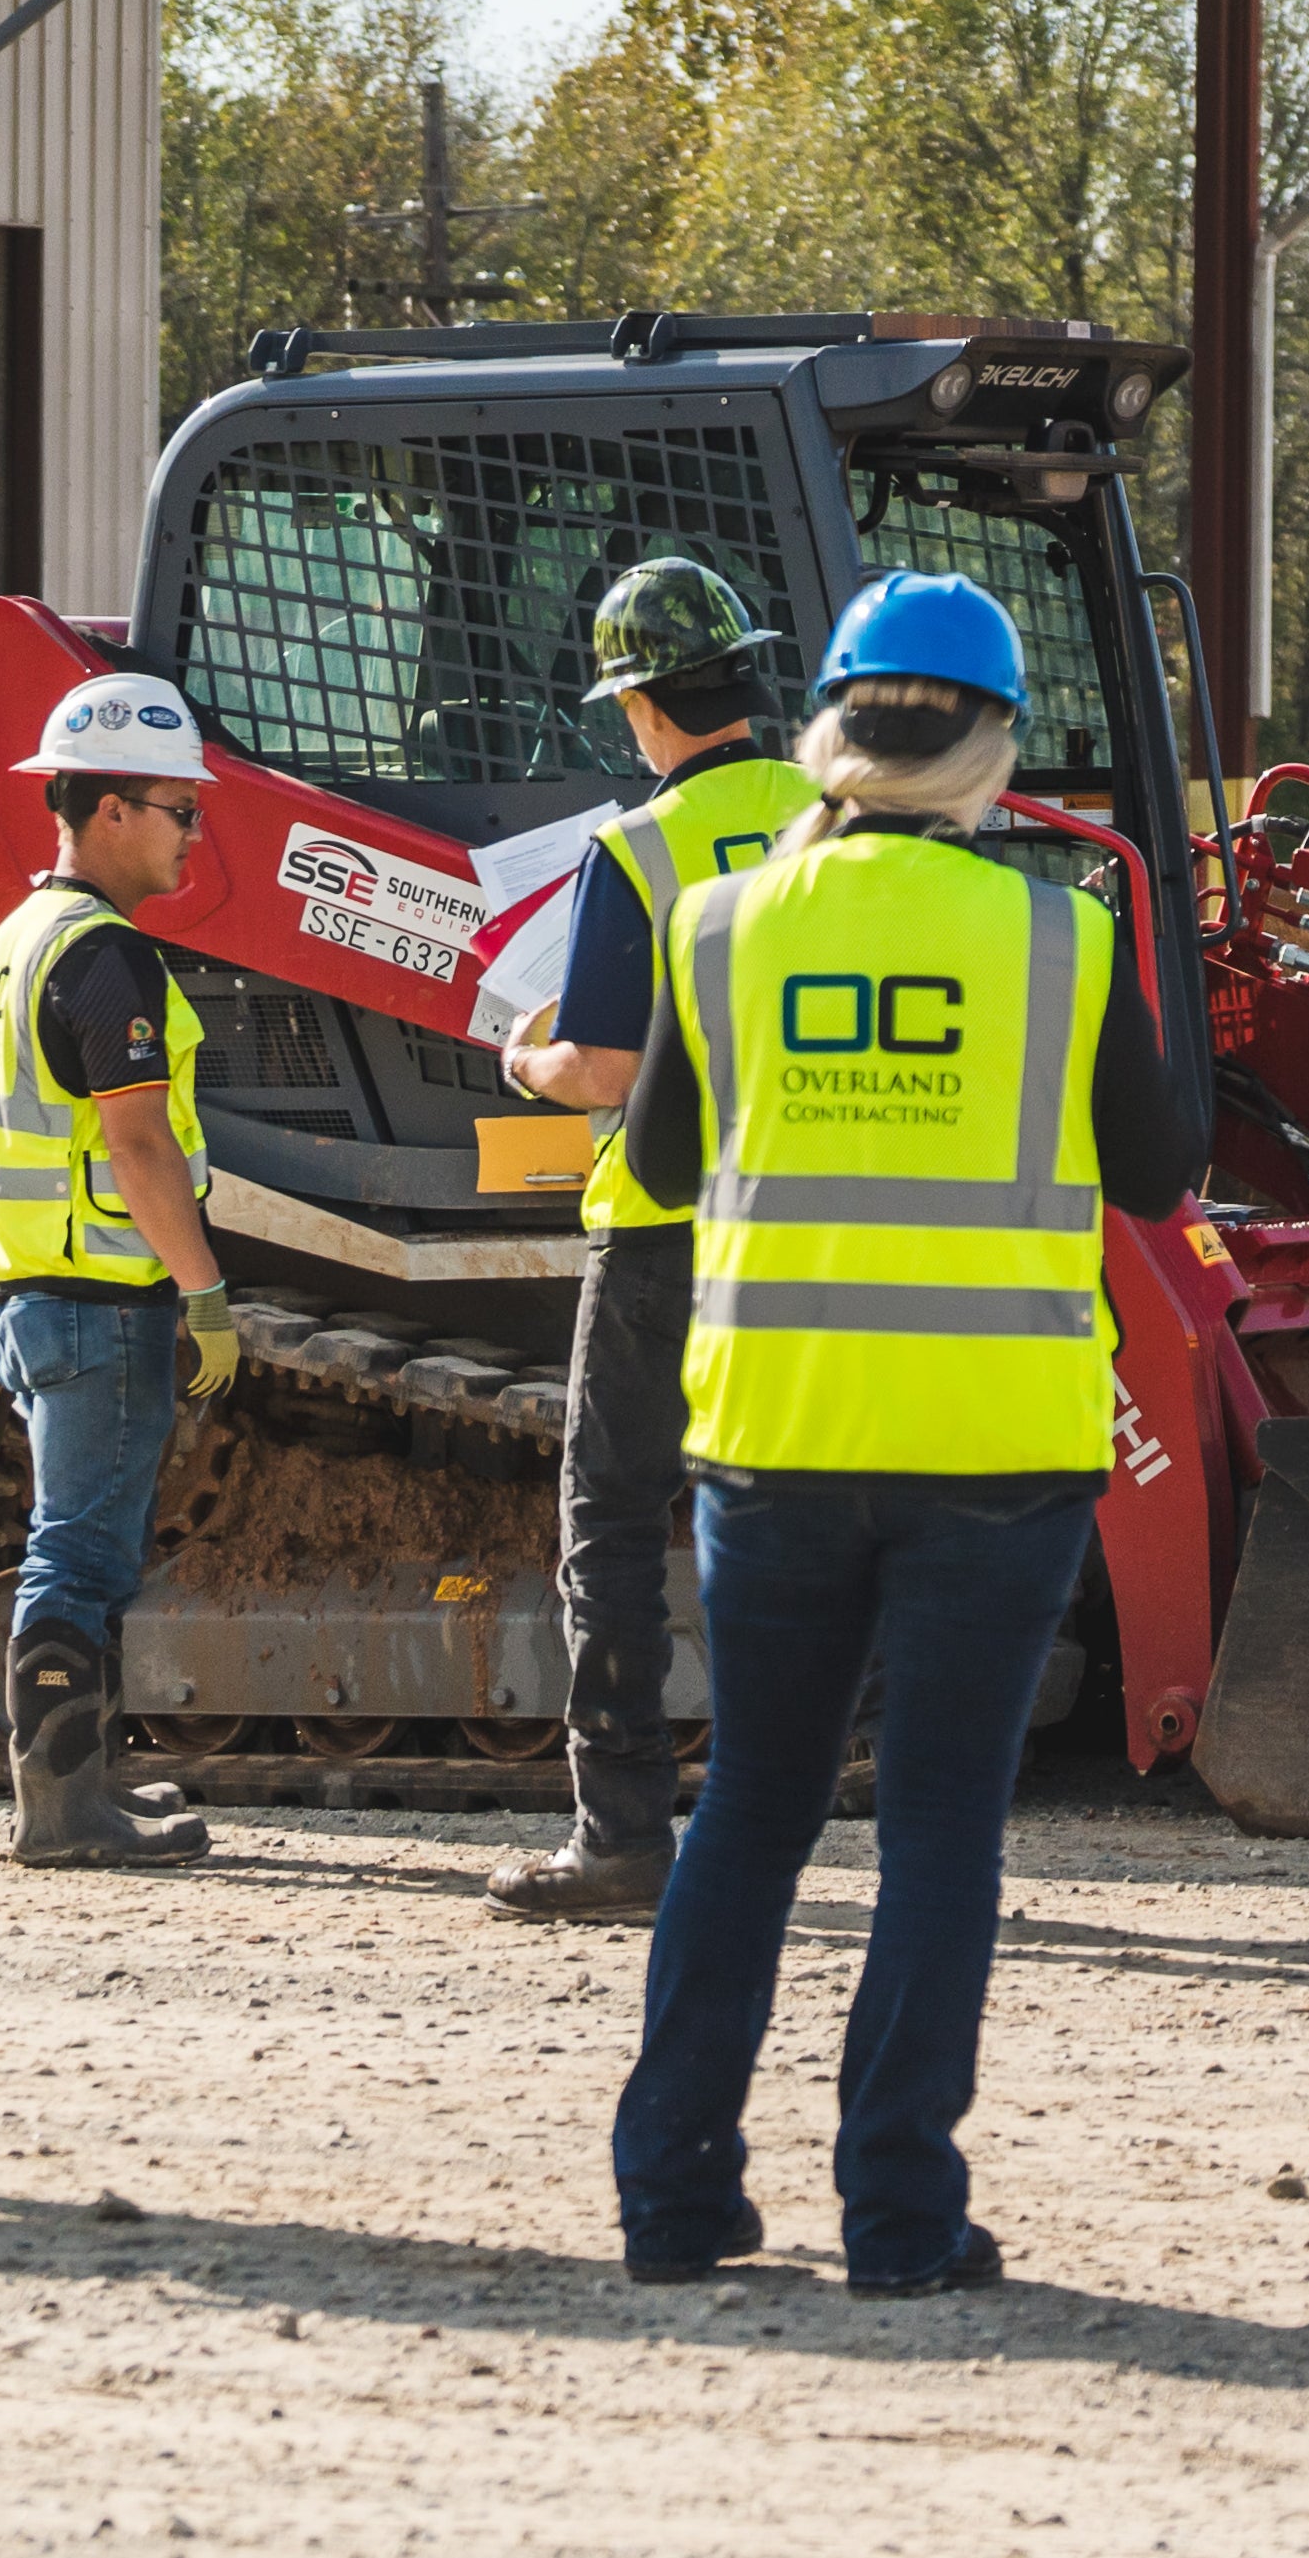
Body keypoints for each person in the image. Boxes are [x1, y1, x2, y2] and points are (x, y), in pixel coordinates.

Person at [606, 571, 1203, 2298]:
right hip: (995, 1450)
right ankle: (897, 2216)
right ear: (993, 752)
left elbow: (655, 1164)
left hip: (776, 1434)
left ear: (829, 730)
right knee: (940, 1825)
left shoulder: (721, 925)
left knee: (751, 1806)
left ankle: (672, 2199)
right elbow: (1160, 1170)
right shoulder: (1060, 937)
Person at [487, 558, 821, 1924]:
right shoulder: (835, 817)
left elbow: (606, 1069)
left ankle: (621, 1835)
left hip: (662, 1236)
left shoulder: (632, 850)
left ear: (638, 707)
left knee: (613, 1522)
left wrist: (524, 1060)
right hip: (811, 1224)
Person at [0, 673, 233, 1870]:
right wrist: (204, 1289)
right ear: (110, 809)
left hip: (26, 1292)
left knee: (76, 1548)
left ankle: (84, 1784)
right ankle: (64, 1811)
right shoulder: (104, 955)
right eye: (182, 808)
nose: (194, 832)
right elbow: (138, 1144)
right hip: (96, 1296)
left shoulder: (20, 932)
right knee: (78, 1556)